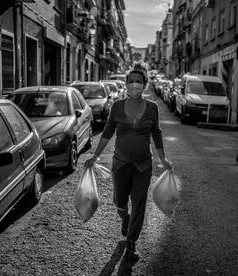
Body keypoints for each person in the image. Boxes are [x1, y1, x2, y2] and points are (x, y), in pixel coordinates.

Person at [84, 62, 172, 260]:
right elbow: (107, 132)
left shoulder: (152, 107)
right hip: (120, 162)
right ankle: (125, 218)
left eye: (138, 82)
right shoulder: (116, 106)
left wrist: (163, 158)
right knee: (119, 201)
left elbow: (156, 133)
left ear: (145, 84)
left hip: (143, 164)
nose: (134, 85)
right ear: (126, 84)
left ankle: (131, 242)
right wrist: (95, 156)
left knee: (139, 203)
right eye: (131, 81)